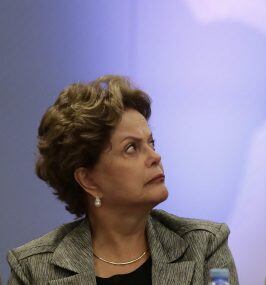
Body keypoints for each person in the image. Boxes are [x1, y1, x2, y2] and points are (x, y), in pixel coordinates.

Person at [6, 75, 239, 284]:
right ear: (89, 180)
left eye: (151, 143)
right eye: (131, 148)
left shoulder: (204, 247)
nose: (155, 157)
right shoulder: (34, 271)